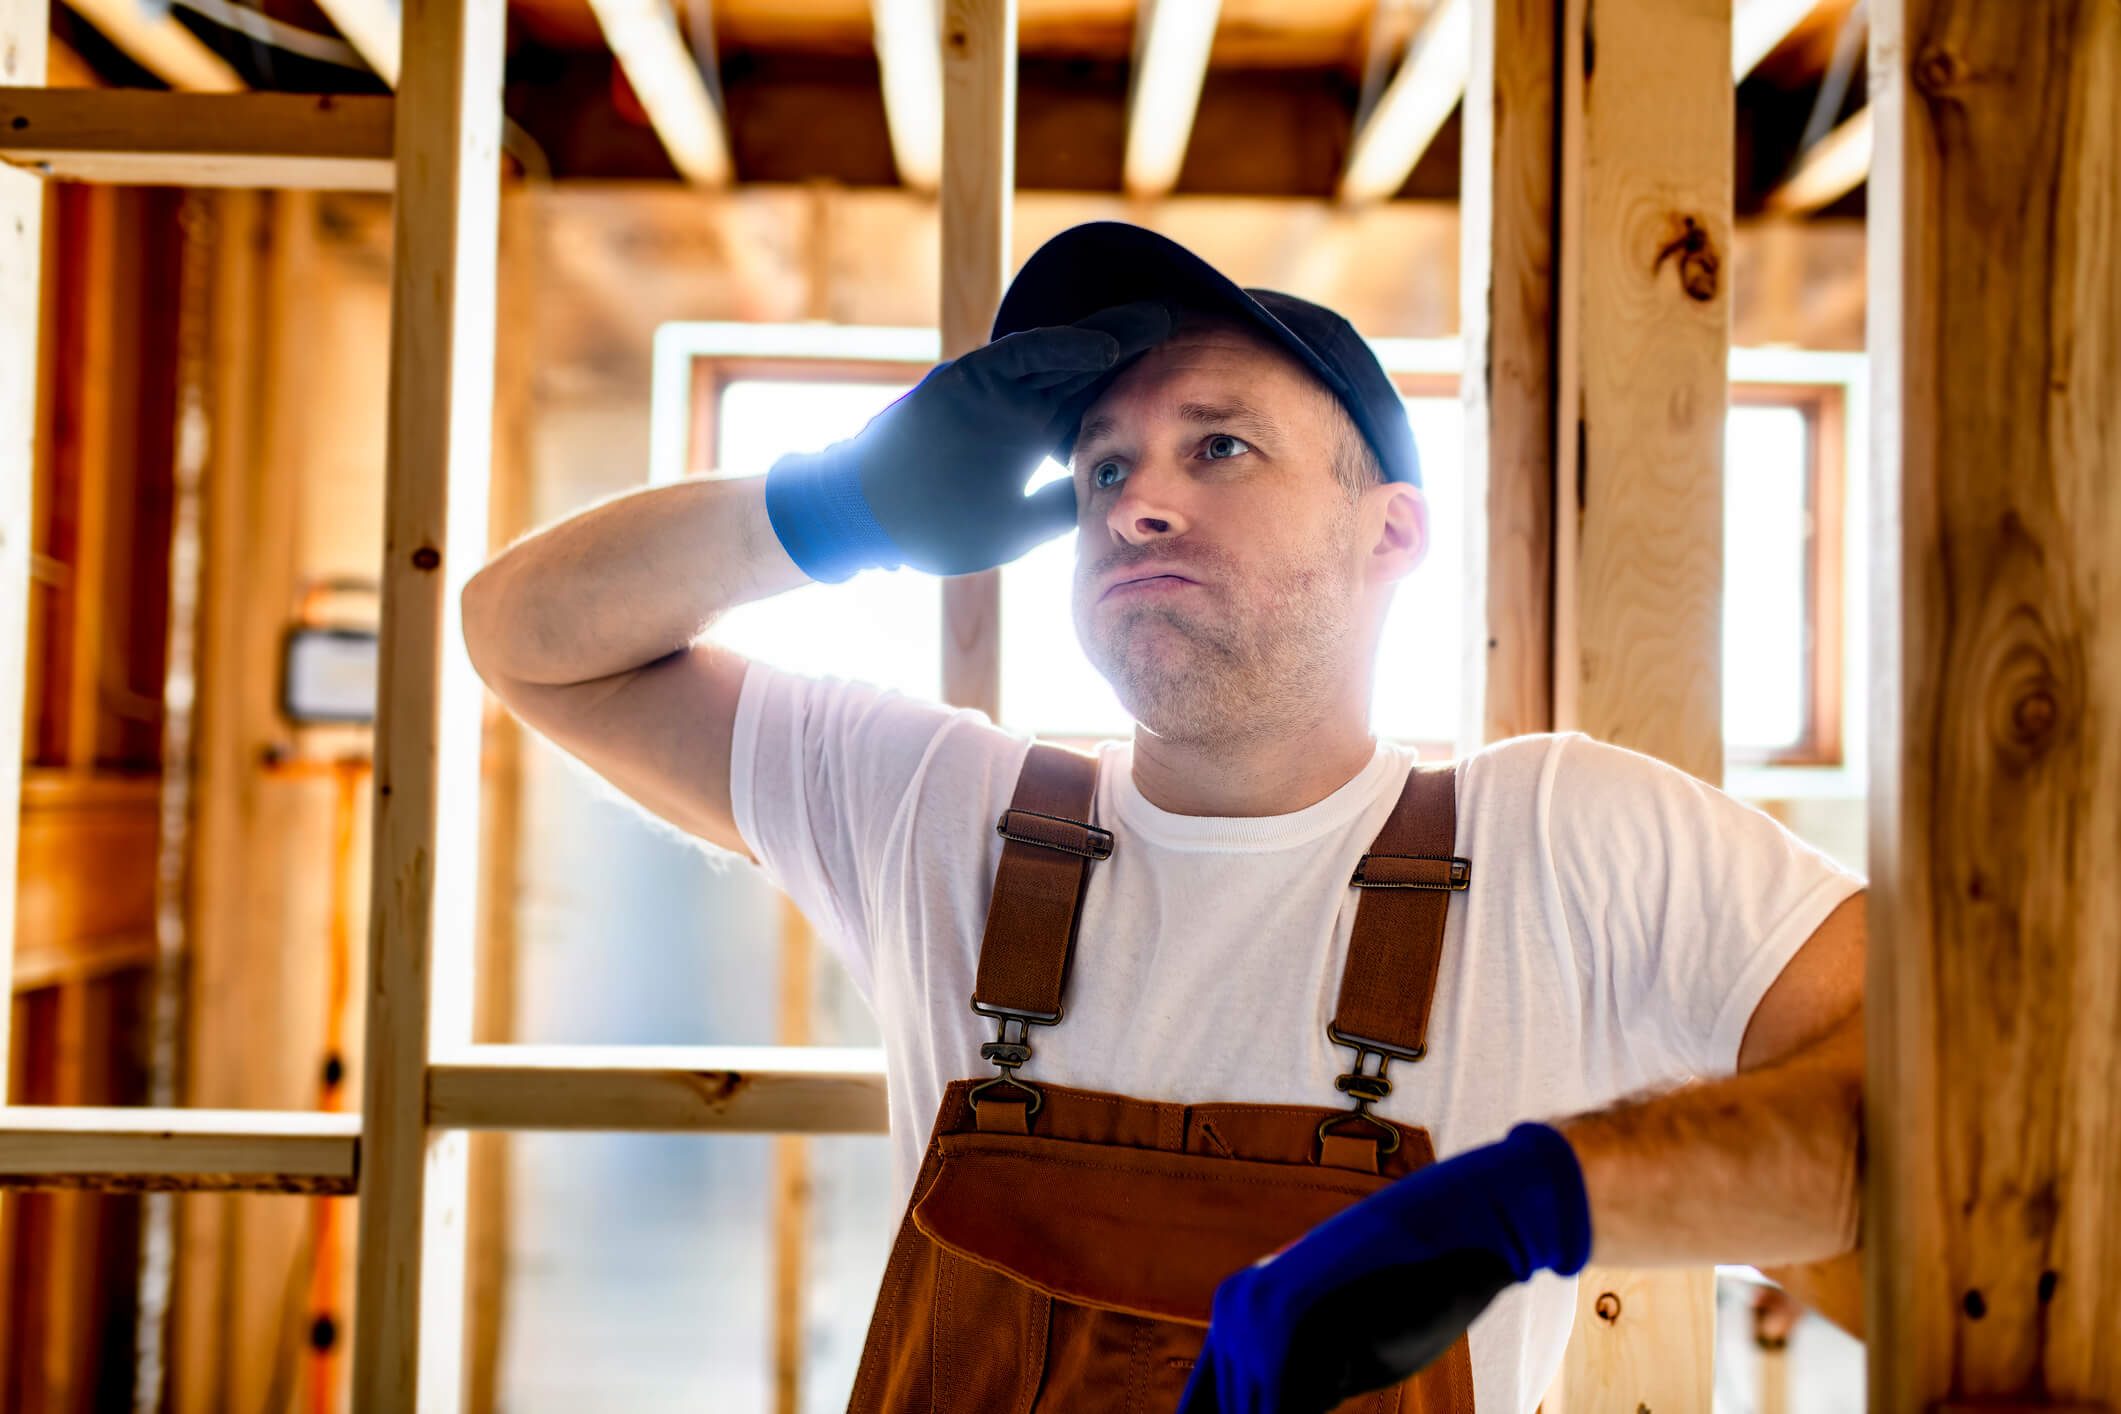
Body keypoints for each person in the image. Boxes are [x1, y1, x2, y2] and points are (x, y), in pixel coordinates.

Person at [461, 222, 1865, 1413]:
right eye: (1103, 469)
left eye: (1221, 447)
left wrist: (1530, 1204)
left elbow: (1913, 1086)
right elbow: (524, 635)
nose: (1137, 505)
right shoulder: (940, 811)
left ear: (1389, 534)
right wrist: (841, 507)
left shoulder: (1561, 838)